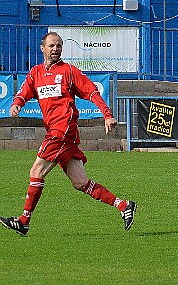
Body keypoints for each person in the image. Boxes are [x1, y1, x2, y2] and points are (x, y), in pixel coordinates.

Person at [0, 32, 136, 236]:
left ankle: (24, 221)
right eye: (52, 46)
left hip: (62, 131)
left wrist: (107, 114)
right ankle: (124, 205)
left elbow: (92, 92)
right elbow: (24, 92)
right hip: (59, 133)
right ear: (42, 48)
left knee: (36, 172)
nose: (56, 49)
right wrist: (17, 104)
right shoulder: (36, 73)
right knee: (80, 182)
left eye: (59, 46)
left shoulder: (69, 72)